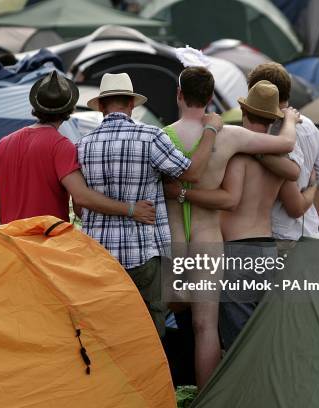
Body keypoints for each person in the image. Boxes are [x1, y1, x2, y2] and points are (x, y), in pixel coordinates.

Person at [162, 67, 300, 388]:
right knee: (210, 329)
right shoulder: (238, 142)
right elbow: (286, 151)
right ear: (211, 98)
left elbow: (229, 197)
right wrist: (290, 121)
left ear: (179, 95)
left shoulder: (163, 135)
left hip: (188, 242)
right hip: (245, 245)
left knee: (180, 325)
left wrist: (179, 193)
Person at [77, 72, 223, 342]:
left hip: (98, 256)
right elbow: (191, 174)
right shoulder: (150, 137)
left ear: (100, 106)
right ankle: (151, 382)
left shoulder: (83, 146)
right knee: (150, 328)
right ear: (132, 104)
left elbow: (78, 207)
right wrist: (211, 130)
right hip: (143, 253)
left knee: (107, 328)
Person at [0, 70, 156, 226]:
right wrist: (131, 209)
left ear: (35, 106)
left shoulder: (5, 143)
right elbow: (81, 197)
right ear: (70, 110)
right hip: (49, 249)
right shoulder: (61, 146)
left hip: (12, 247)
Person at [247, 63, 319, 249]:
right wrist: (314, 223)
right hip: (309, 235)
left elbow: (294, 207)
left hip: (280, 237)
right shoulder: (309, 125)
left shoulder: (272, 135)